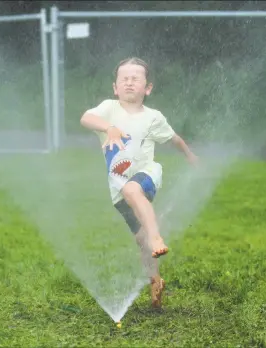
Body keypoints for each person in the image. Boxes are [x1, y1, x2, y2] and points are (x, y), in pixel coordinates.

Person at [80, 57, 198, 308]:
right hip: (118, 187)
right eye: (124, 78)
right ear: (115, 87)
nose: (129, 82)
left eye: (135, 78)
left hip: (147, 174)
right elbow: (86, 119)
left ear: (148, 88)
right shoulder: (109, 109)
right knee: (141, 240)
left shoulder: (153, 117)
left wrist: (189, 155)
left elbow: (174, 138)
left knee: (134, 190)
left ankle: (157, 237)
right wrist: (109, 128)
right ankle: (155, 281)